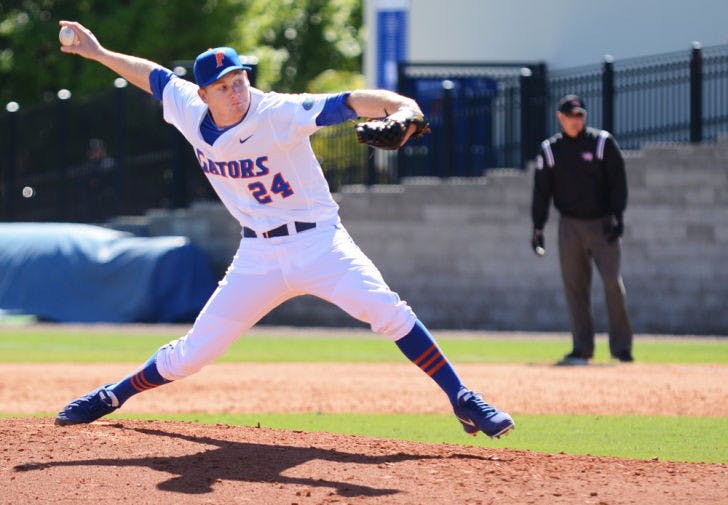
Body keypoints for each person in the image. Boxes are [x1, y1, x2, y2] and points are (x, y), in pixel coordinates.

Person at [54, 21, 514, 439]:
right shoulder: (186, 107)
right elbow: (152, 75)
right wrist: (97, 52)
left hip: (319, 242)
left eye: (239, 81)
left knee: (387, 311)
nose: (236, 92)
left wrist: (402, 107)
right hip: (258, 256)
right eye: (223, 87)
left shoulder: (276, 113)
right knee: (192, 354)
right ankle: (112, 394)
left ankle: (462, 398)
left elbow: (349, 102)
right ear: (203, 94)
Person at [531, 94, 634, 365]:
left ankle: (621, 348)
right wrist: (538, 227)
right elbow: (541, 192)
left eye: (580, 116)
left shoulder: (602, 143)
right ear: (560, 118)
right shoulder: (551, 150)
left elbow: (618, 182)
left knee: (612, 283)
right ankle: (582, 348)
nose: (576, 121)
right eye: (571, 116)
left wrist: (617, 216)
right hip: (570, 226)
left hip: (602, 224)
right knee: (575, 288)